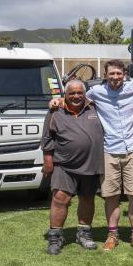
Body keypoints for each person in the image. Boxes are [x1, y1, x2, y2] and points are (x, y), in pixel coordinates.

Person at [50, 59, 133, 252]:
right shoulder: (96, 92)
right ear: (105, 75)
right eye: (111, 74)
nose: (115, 77)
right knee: (111, 196)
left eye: (119, 73)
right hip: (109, 151)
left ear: (125, 74)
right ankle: (112, 235)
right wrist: (58, 100)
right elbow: (76, 97)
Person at [41, 80, 104, 255]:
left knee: (87, 199)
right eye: (71, 93)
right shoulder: (55, 110)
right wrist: (48, 160)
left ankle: (83, 234)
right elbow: (47, 137)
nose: (76, 96)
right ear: (65, 95)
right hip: (64, 165)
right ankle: (55, 237)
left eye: (79, 93)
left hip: (91, 164)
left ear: (85, 94)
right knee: (60, 199)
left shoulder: (95, 107)